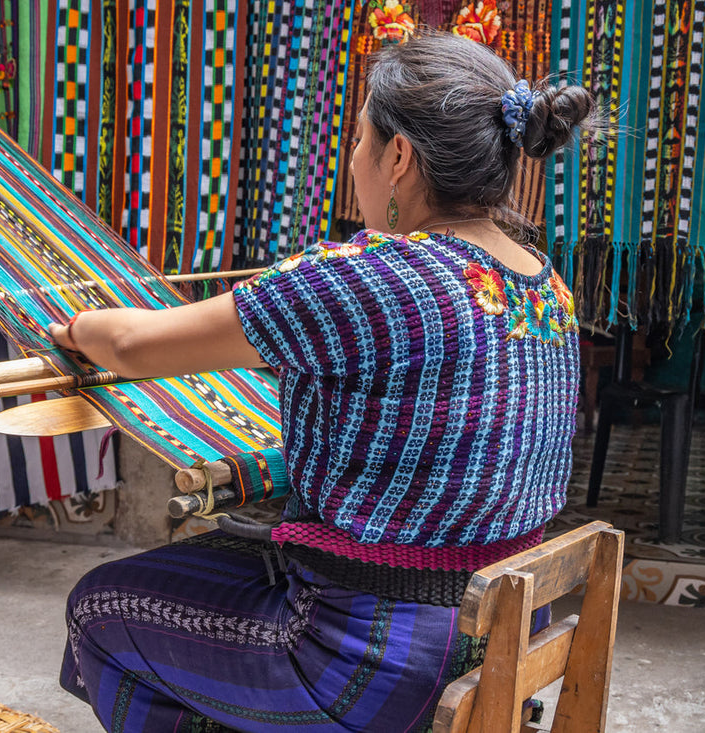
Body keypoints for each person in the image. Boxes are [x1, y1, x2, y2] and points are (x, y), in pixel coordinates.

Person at [49, 31, 595, 733]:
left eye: (361, 138)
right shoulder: (543, 283)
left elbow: (129, 345)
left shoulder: (368, 276)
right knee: (213, 557)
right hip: (495, 647)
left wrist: (72, 325)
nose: (352, 160)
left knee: (98, 606)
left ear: (398, 156)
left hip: (365, 671)